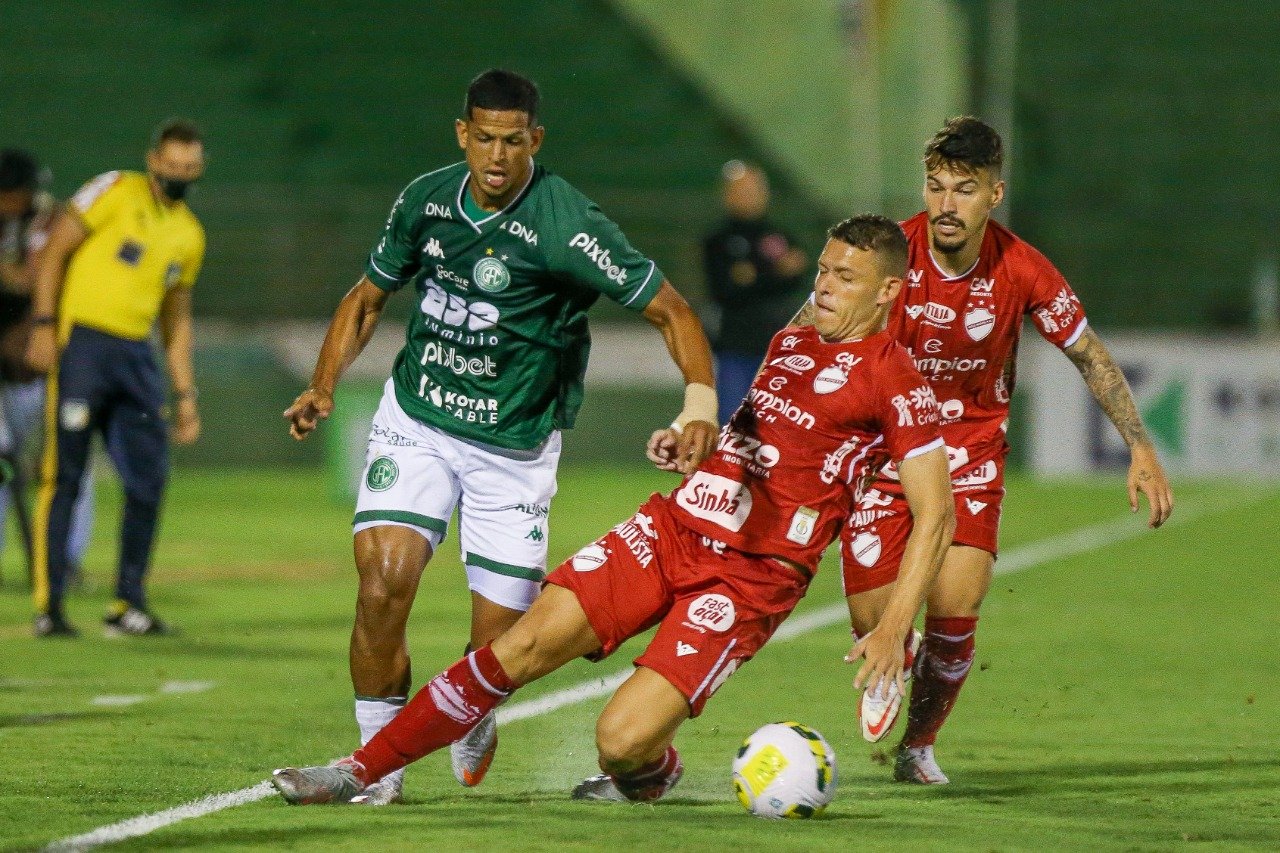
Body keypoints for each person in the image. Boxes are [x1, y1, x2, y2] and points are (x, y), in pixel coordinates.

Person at [269, 214, 957, 807]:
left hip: (748, 579)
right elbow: (764, 433)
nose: (824, 287)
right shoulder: (794, 336)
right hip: (673, 528)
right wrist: (696, 443)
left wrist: (896, 626)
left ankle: (649, 772)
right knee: (519, 645)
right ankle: (357, 770)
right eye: (824, 271)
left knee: (619, 741)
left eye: (845, 277)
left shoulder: (894, 378)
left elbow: (938, 514)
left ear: (889, 291)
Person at [281, 69, 718, 806]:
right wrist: (324, 383)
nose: (496, 155)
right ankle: (376, 763)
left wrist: (699, 401)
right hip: (417, 419)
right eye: (483, 138)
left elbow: (671, 311)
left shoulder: (567, 223)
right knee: (383, 582)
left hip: (511, 451)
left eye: (513, 142)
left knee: (497, 649)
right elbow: (366, 298)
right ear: (463, 134)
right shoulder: (424, 199)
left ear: (534, 141)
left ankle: (473, 708)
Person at [794, 117, 1175, 784]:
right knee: (875, 621)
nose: (946, 204)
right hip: (881, 452)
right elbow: (810, 323)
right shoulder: (893, 253)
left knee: (957, 601)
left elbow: (1088, 354)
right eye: (936, 187)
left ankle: (918, 746)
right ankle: (892, 647)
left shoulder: (1022, 268)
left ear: (993, 194)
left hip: (967, 449)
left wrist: (1139, 444)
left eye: (964, 189)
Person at [25, 120, 205, 638]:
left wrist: (185, 392)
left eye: (189, 169)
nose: (178, 176)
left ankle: (127, 603)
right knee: (64, 477)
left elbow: (176, 319)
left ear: (200, 170)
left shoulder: (189, 234)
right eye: (172, 166)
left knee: (148, 481)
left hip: (136, 356)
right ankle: (49, 607)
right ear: (153, 160)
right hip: (82, 346)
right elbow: (56, 250)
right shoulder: (114, 190)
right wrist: (43, 325)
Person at [0, 148, 94, 581]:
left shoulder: (51, 221)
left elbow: (31, 279)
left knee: (66, 461)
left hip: (47, 365)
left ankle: (64, 559)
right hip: (8, 370)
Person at [702, 160, 807, 425]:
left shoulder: (779, 235)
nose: (750, 195)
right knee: (734, 425)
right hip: (736, 348)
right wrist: (775, 273)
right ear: (727, 194)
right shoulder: (718, 240)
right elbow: (725, 291)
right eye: (742, 189)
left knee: (780, 424)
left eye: (755, 189)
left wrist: (754, 277)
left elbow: (797, 277)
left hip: (778, 348)